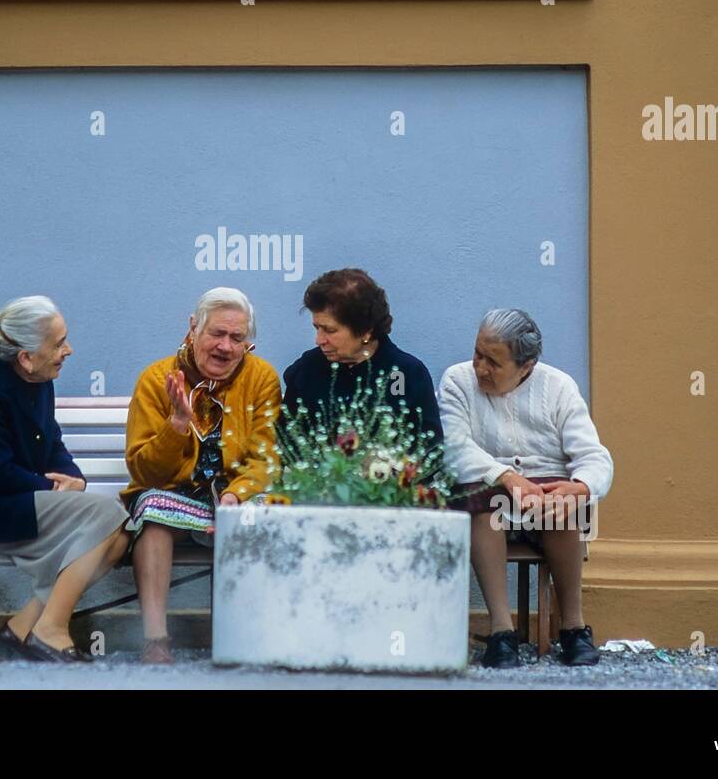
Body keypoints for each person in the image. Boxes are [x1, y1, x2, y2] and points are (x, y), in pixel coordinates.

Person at [0, 295, 130, 663]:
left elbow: (52, 442)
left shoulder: (39, 376)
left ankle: (22, 628)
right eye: (59, 344)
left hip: (19, 499)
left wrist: (74, 480)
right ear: (25, 356)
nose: (68, 350)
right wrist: (55, 491)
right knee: (109, 517)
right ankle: (51, 630)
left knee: (119, 537)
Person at [438, 308, 613, 668]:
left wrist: (578, 488)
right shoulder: (457, 381)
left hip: (546, 504)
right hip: (490, 498)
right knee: (481, 504)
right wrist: (507, 478)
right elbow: (455, 448)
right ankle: (502, 633)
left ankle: (573, 629)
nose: (480, 367)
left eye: (493, 361)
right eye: (478, 354)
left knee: (561, 506)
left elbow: (595, 457)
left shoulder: (558, 387)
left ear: (526, 366)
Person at [123, 287, 281, 664]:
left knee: (263, 512)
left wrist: (236, 495)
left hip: (234, 495)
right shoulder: (157, 378)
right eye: (216, 334)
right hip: (178, 493)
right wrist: (177, 424)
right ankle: (156, 641)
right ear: (193, 329)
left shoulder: (262, 379)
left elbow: (266, 458)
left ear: (248, 343)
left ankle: (237, 641)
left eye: (237, 338)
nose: (225, 346)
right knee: (152, 510)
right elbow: (144, 470)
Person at [281, 268, 443, 450]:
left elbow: (430, 449)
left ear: (366, 331)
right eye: (316, 328)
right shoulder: (307, 370)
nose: (319, 340)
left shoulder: (406, 374)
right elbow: (286, 442)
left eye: (330, 330)